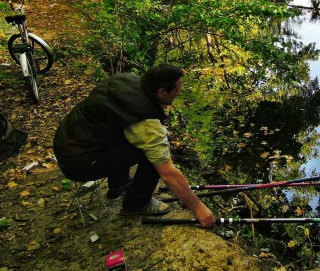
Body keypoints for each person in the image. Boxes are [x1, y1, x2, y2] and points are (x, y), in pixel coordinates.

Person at [53, 64, 215, 227]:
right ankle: (136, 204)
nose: (179, 93)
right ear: (162, 92)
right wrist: (198, 207)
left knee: (131, 136)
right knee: (155, 155)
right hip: (79, 162)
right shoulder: (146, 124)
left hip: (66, 143)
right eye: (176, 90)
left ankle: (120, 185)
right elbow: (168, 174)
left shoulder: (127, 80)